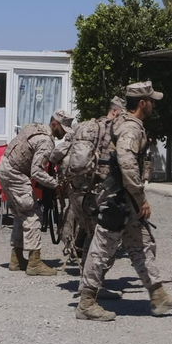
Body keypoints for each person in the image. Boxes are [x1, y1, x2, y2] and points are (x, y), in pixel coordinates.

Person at [75, 81, 172, 321]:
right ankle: (86, 302)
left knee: (141, 245)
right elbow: (126, 161)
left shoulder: (122, 122)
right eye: (152, 101)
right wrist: (141, 198)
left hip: (121, 197)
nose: (154, 105)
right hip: (117, 198)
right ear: (142, 103)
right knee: (102, 249)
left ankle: (158, 295)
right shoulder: (130, 127)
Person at [0, 110, 73, 276]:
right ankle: (34, 262)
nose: (63, 133)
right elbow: (36, 172)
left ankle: (16, 259)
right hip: (15, 174)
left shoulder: (34, 127)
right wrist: (56, 185)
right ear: (54, 124)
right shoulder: (46, 141)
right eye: (62, 129)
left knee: (20, 215)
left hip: (5, 170)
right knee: (33, 215)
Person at [59, 96, 124, 269]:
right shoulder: (112, 133)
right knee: (100, 237)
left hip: (76, 188)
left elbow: (59, 153)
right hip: (95, 191)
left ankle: (86, 281)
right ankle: (89, 285)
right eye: (123, 115)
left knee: (90, 232)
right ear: (115, 111)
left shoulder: (86, 127)